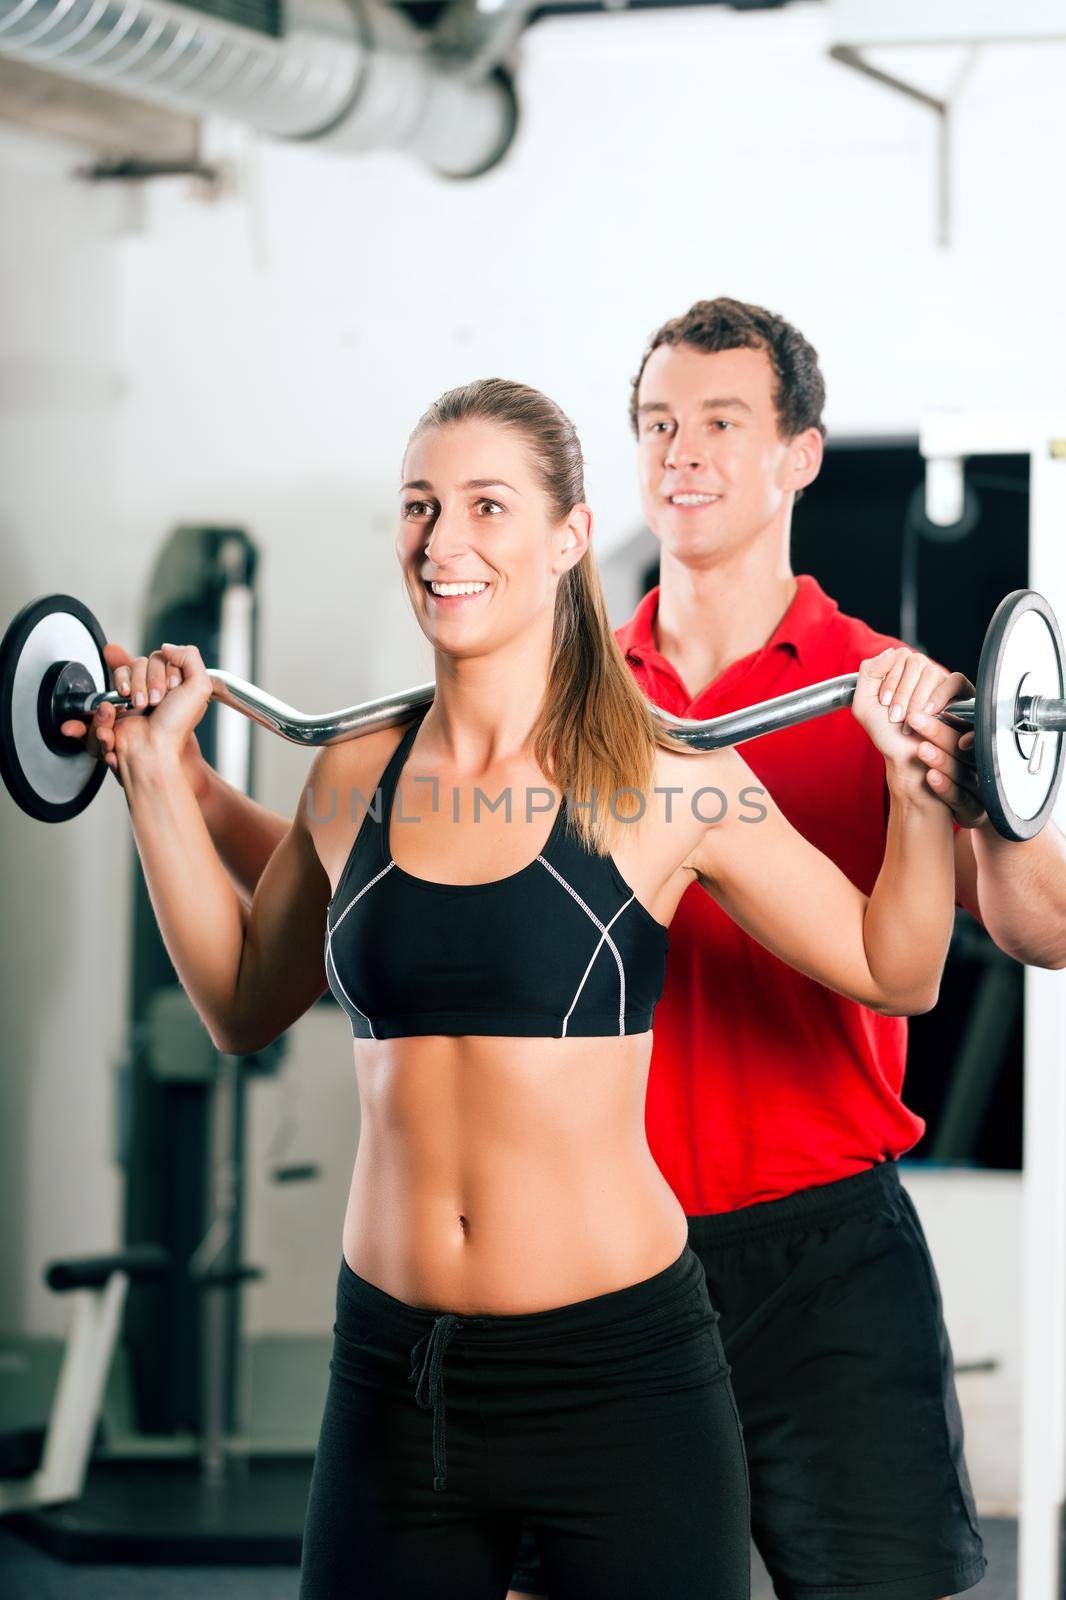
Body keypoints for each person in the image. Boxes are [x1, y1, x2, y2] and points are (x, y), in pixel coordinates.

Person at [73, 367, 979, 1600]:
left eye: (487, 506)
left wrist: (919, 791)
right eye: (420, 506)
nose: (444, 541)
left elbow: (896, 966)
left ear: (566, 537)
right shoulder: (351, 775)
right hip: (394, 1379)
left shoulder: (665, 779)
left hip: (619, 1377)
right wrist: (151, 775)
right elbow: (239, 1003)